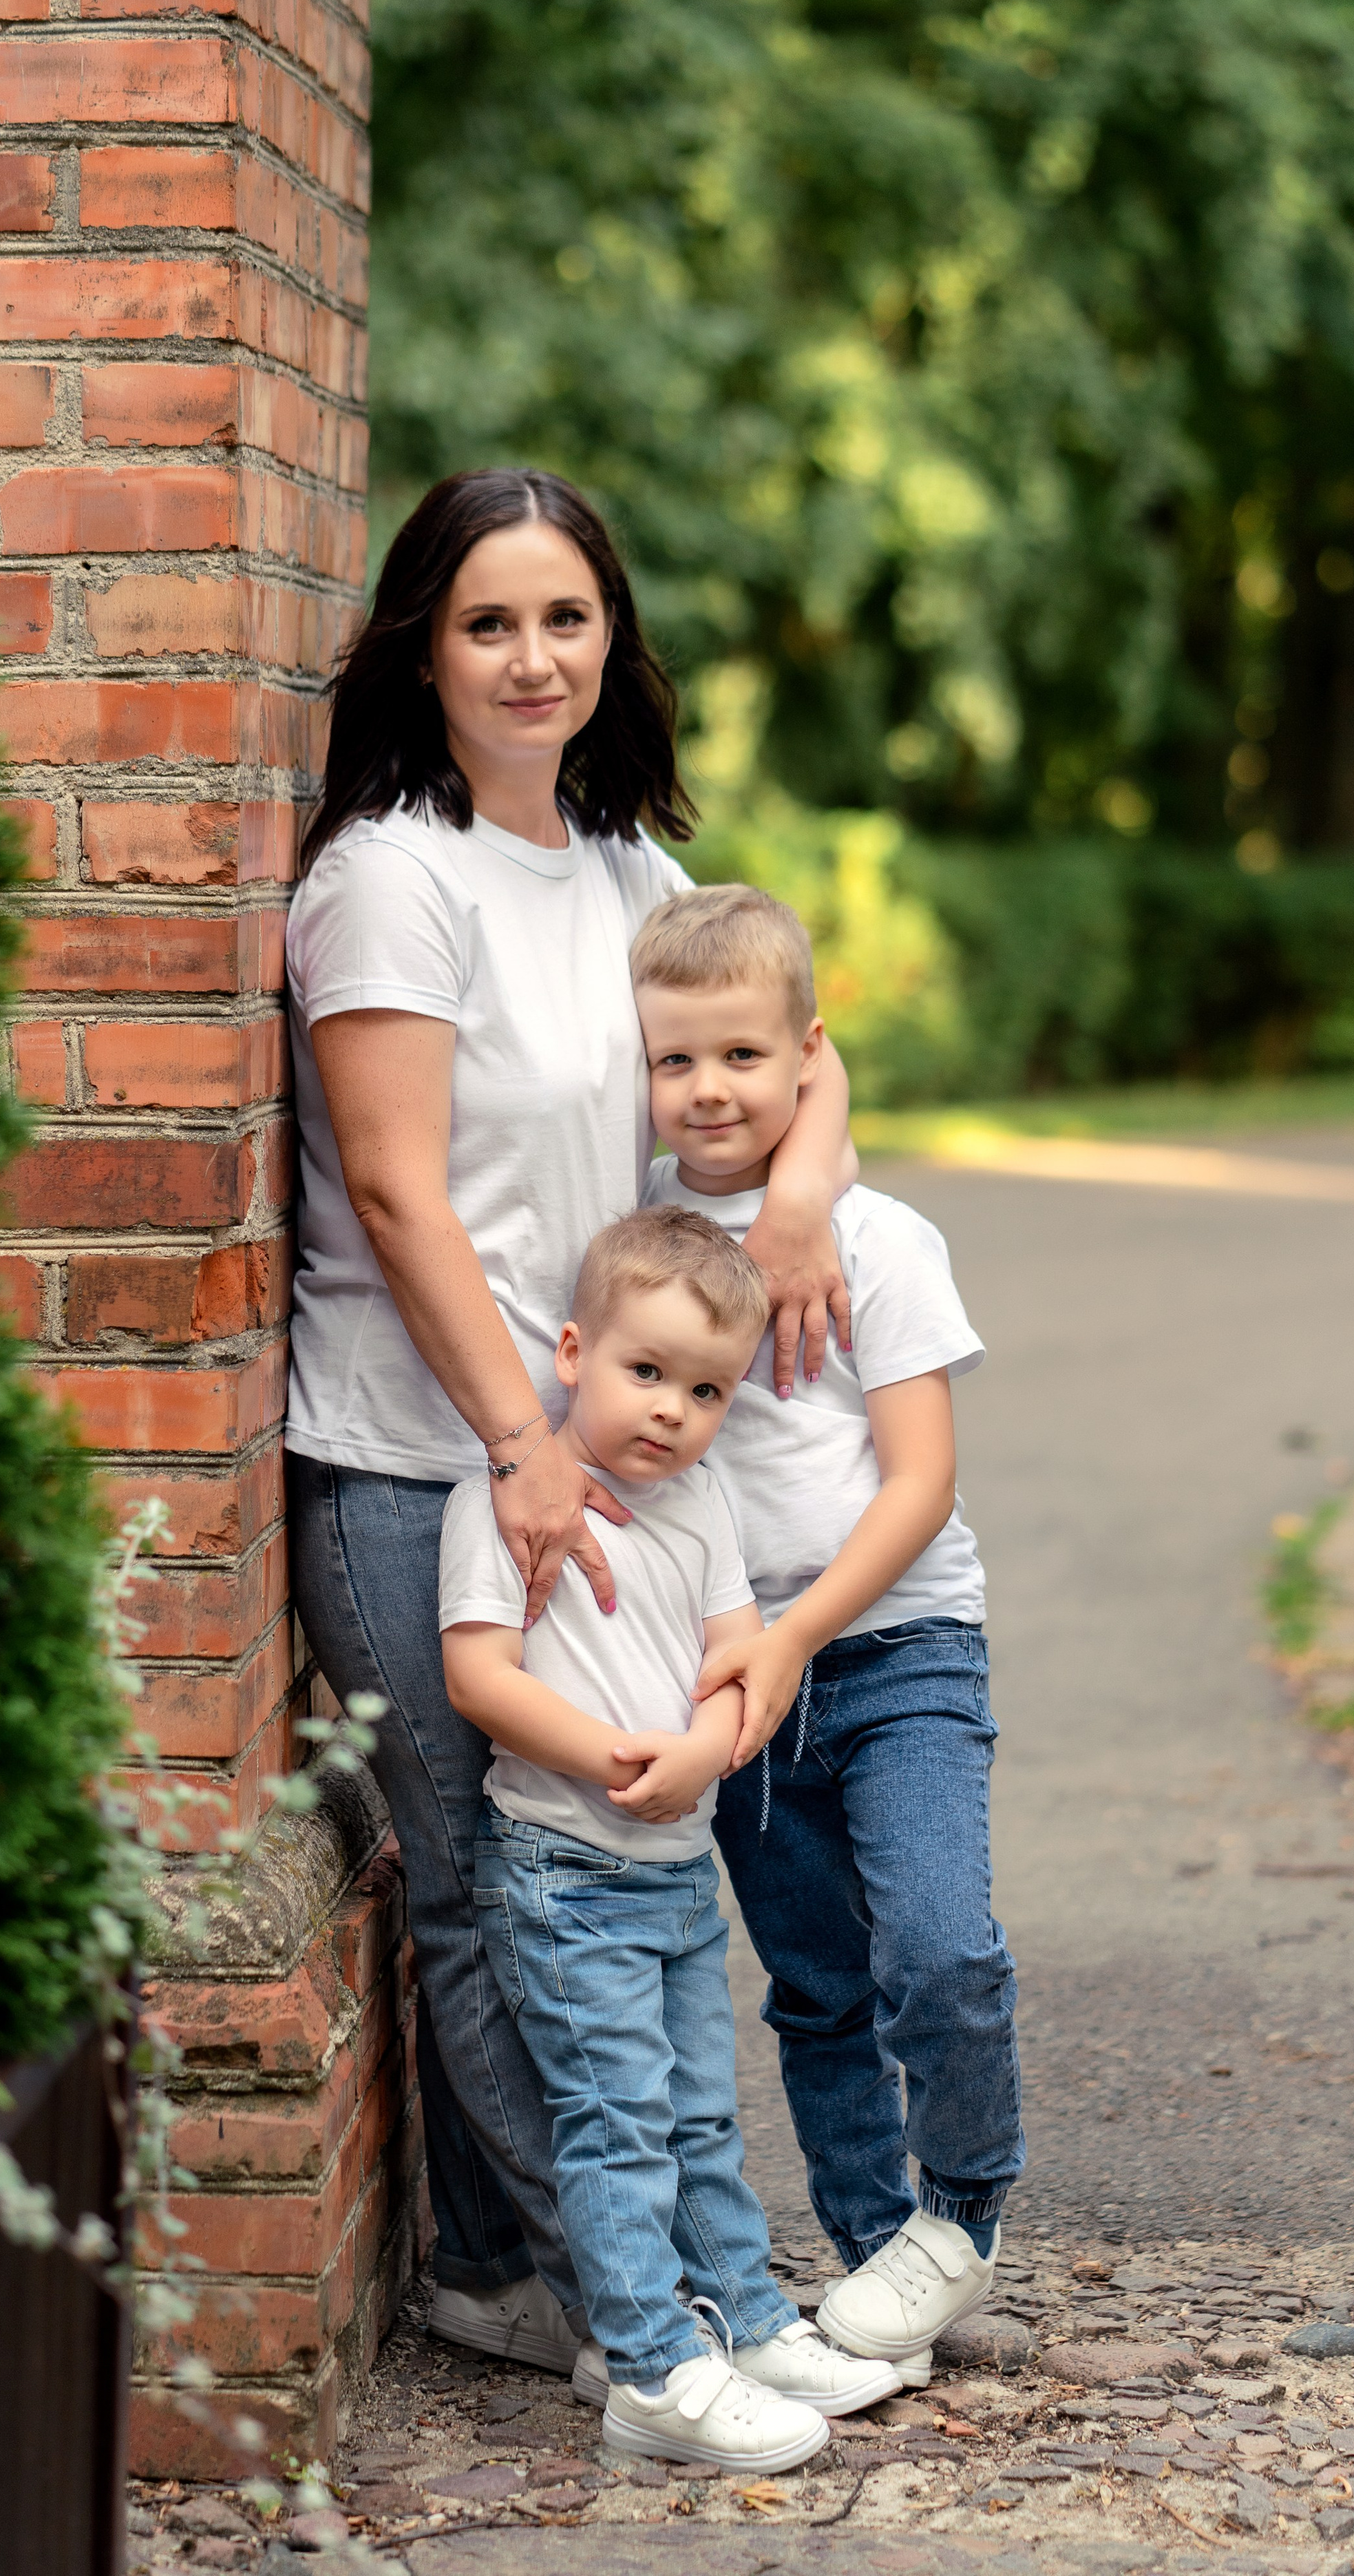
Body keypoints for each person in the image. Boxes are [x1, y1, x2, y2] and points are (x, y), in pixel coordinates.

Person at [283, 470, 859, 2386]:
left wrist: (793, 1200)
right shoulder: (390, 874)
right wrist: (514, 1443)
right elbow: (392, 1188)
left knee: (605, 1866)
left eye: (566, 620)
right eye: (488, 624)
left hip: (597, 1465)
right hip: (420, 1452)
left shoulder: (625, 879)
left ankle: (529, 2261)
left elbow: (790, 1034)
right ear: (422, 653)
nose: (534, 660)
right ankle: (620, 2305)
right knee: (480, 1888)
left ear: (614, 641)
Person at [633, 884, 1024, 2389]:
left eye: (741, 1055)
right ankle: (878, 2271)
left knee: (938, 1949)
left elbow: (920, 1483)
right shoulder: (639, 1247)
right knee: (814, 1984)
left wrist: (795, 1632)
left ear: (807, 1058)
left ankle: (960, 2212)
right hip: (732, 1672)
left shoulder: (876, 1238)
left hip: (894, 1646)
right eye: (675, 1063)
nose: (710, 1089)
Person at [441, 1207, 902, 2464]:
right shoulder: (506, 1504)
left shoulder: (701, 1510)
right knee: (619, 2123)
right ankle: (649, 2368)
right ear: (575, 1351)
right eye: (646, 1372)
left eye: (705, 1390)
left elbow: (736, 1660)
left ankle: (747, 2320)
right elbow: (481, 1676)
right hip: (562, 1870)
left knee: (703, 2116)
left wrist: (702, 1750)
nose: (670, 1410)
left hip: (675, 1871)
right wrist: (607, 1760)